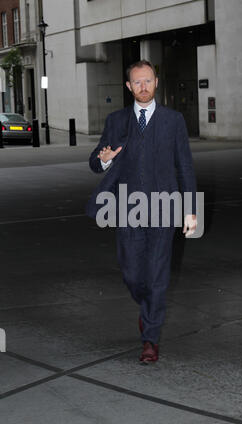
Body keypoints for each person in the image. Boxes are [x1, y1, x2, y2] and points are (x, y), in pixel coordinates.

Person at [86, 60, 197, 363]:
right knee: (133, 273)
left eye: (148, 81)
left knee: (159, 275)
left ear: (156, 83)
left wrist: (190, 210)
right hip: (127, 209)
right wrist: (105, 158)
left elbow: (185, 165)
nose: (143, 87)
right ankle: (148, 307)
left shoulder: (173, 121)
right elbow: (95, 162)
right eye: (137, 82)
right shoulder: (116, 120)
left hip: (165, 208)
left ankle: (150, 338)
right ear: (129, 86)